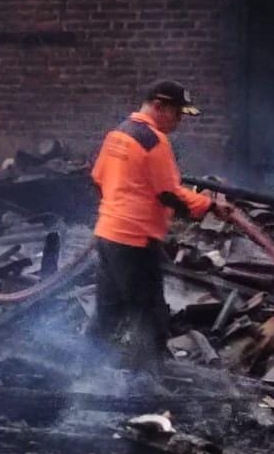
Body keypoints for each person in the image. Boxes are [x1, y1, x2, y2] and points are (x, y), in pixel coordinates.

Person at [89, 80, 230, 373]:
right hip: (135, 241)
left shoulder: (117, 134)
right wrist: (209, 205)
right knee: (149, 313)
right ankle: (147, 380)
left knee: (107, 311)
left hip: (107, 235)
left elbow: (98, 177)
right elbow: (169, 193)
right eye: (177, 113)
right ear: (158, 106)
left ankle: (86, 368)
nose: (178, 121)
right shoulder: (154, 141)